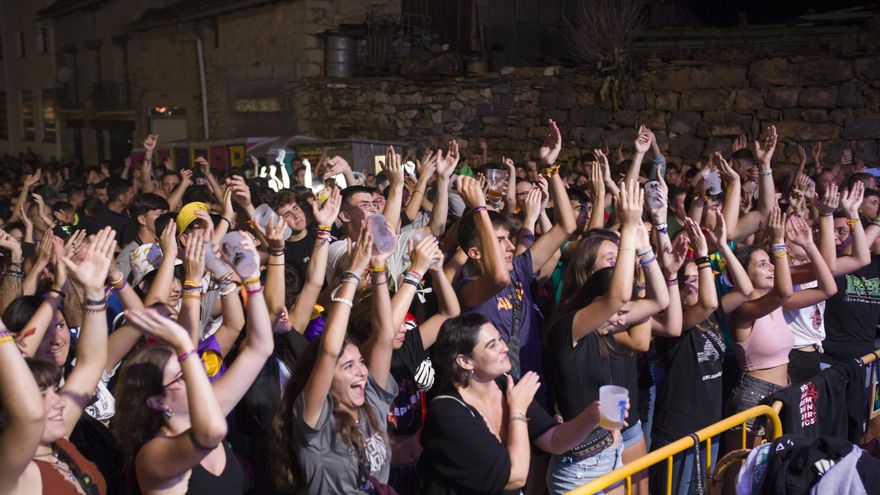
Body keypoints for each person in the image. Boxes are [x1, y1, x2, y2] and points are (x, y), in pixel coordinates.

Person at [112, 232, 273, 494]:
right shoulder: (152, 454)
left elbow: (260, 347)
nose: (194, 374)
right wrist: (186, 348)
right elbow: (210, 433)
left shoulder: (209, 410)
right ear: (157, 401)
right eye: (182, 374)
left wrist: (251, 280)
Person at [544, 180, 668, 495]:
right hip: (579, 468)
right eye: (609, 259)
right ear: (588, 272)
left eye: (619, 257)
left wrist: (644, 250)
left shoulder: (607, 326)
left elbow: (659, 303)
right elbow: (616, 299)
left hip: (609, 451)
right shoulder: (566, 327)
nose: (618, 264)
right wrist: (627, 227)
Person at [271, 229, 399, 494]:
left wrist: (378, 268)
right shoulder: (315, 423)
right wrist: (353, 273)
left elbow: (385, 336)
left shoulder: (370, 401)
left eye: (360, 362)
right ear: (325, 377)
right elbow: (329, 351)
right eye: (348, 366)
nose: (362, 372)